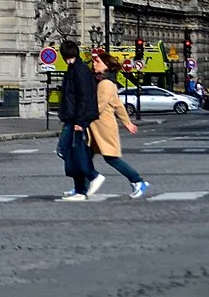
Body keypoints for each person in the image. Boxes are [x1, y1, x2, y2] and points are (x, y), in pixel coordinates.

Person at [87, 50, 150, 199]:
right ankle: (81, 188)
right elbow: (118, 104)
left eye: (98, 62)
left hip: (102, 126)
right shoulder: (103, 81)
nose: (94, 63)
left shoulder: (106, 83)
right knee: (84, 156)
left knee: (111, 157)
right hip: (96, 126)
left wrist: (81, 119)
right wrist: (126, 122)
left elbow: (99, 106)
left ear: (106, 65)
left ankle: (137, 180)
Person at [55, 39, 98, 200]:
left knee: (65, 150)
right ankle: (80, 187)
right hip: (73, 117)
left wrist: (79, 121)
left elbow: (83, 97)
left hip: (76, 118)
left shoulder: (78, 70)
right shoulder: (75, 68)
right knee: (72, 152)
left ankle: (91, 177)